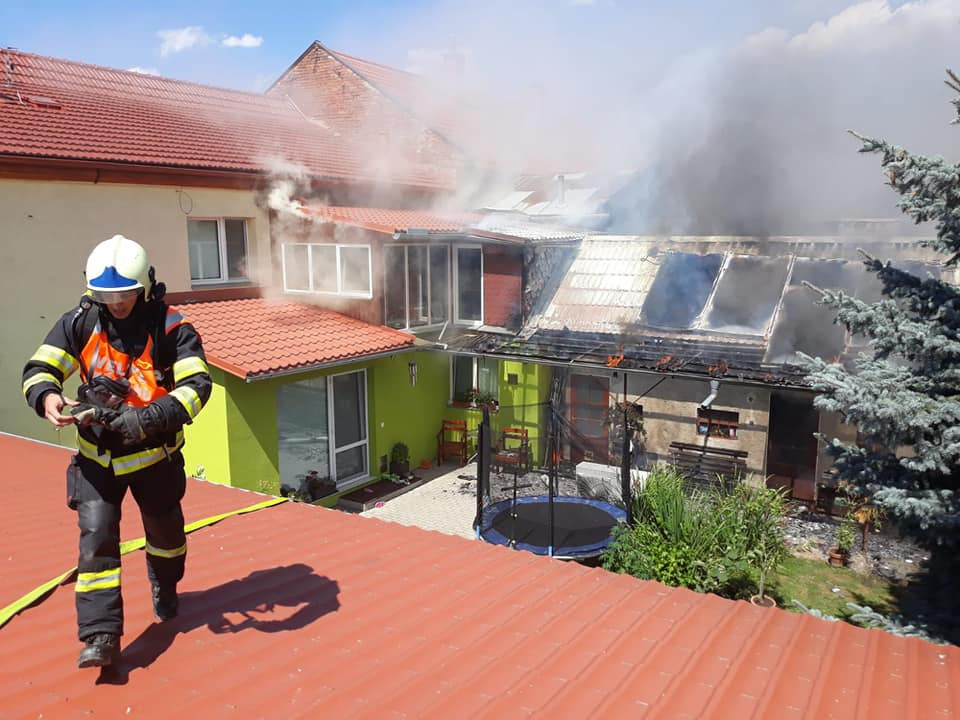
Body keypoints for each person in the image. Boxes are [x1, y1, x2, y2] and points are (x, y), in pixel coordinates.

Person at [21, 234, 211, 669]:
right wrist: (46, 396)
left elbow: (197, 388)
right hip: (97, 461)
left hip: (155, 459)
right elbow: (40, 368)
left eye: (125, 294)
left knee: (166, 537)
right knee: (97, 542)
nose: (117, 303)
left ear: (145, 287)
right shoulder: (80, 322)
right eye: (106, 296)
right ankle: (100, 636)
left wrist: (147, 419)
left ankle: (166, 586)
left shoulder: (172, 327)